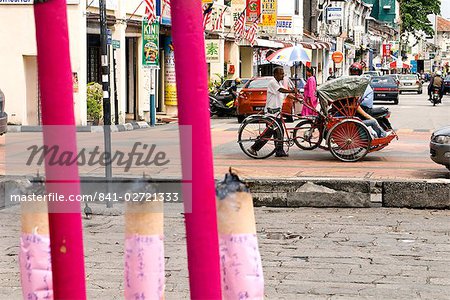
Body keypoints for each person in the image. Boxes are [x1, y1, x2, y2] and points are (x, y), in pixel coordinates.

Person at [248, 67, 298, 157]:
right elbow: (281, 90)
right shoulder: (272, 83)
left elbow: (286, 94)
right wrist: (292, 90)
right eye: (281, 74)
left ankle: (279, 151)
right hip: (271, 113)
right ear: (275, 75)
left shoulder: (279, 83)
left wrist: (296, 98)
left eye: (283, 73)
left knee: (279, 132)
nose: (283, 75)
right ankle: (253, 148)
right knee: (269, 133)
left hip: (276, 113)